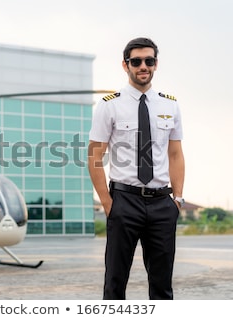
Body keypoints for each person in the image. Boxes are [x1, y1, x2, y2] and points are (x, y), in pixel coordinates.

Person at [87, 37, 185, 300]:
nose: (144, 66)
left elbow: (175, 154)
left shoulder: (170, 105)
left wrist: (177, 199)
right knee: (115, 284)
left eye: (149, 61)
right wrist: (108, 203)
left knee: (163, 286)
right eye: (137, 61)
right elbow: (94, 156)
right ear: (125, 65)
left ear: (156, 64)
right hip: (124, 202)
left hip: (162, 203)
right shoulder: (110, 104)